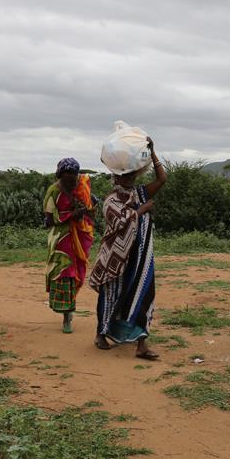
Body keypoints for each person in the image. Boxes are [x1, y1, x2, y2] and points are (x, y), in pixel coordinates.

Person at [89, 138, 167, 358]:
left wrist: (153, 152)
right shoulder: (111, 200)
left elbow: (162, 179)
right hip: (115, 257)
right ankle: (101, 334)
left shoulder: (139, 193)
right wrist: (142, 210)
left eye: (132, 175)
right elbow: (119, 222)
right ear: (116, 177)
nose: (129, 178)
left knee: (142, 294)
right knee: (111, 296)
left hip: (139, 256)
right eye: (125, 176)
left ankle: (141, 344)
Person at [43, 159, 95, 334]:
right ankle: (66, 316)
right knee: (64, 273)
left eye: (74, 175)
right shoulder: (53, 191)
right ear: (60, 175)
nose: (72, 179)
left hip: (77, 237)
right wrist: (71, 215)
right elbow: (49, 219)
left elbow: (91, 207)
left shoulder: (80, 188)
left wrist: (85, 212)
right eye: (68, 175)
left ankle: (68, 313)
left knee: (76, 274)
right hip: (60, 241)